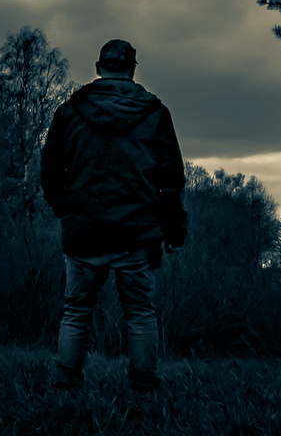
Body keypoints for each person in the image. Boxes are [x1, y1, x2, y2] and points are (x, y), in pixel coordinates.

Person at [40, 38, 187, 392]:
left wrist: (65, 210)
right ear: (132, 69)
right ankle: (145, 387)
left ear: (98, 68)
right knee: (139, 312)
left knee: (76, 310)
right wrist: (174, 227)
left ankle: (66, 383)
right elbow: (171, 178)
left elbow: (49, 171)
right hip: (136, 233)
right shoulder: (155, 113)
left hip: (84, 230)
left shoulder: (69, 111)